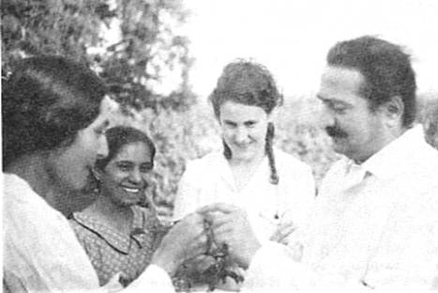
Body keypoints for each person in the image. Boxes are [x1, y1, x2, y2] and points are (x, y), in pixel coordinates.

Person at [201, 36, 438, 291]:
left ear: (392, 111)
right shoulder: (342, 173)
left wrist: (256, 255)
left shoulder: (433, 188)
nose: (324, 120)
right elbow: (306, 263)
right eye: (324, 105)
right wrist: (247, 245)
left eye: (339, 108)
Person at [2, 56, 206, 292]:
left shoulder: (17, 205)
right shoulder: (31, 221)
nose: (103, 150)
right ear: (57, 130)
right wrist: (166, 263)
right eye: (98, 132)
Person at [173, 60, 315, 289]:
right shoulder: (197, 174)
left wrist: (219, 252)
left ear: (270, 116)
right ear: (218, 118)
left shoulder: (296, 176)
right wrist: (266, 250)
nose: (240, 136)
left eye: (250, 124)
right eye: (230, 124)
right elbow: (181, 259)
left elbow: (301, 263)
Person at [70, 126, 166, 287]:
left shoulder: (148, 222)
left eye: (145, 169)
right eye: (124, 167)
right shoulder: (78, 233)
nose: (136, 178)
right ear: (97, 170)